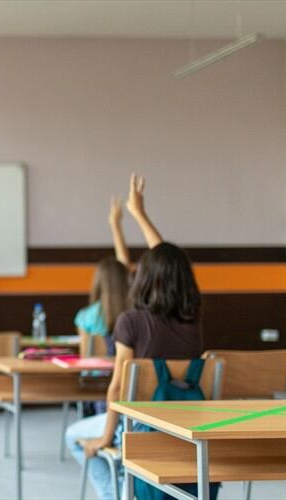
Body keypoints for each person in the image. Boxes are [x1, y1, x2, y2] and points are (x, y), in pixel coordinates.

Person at [65, 175, 200, 500]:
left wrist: (106, 436)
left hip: (139, 427)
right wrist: (139, 214)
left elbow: (117, 388)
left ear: (143, 279)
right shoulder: (193, 319)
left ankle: (115, 494)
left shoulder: (131, 321)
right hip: (186, 424)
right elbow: (169, 263)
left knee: (73, 435)